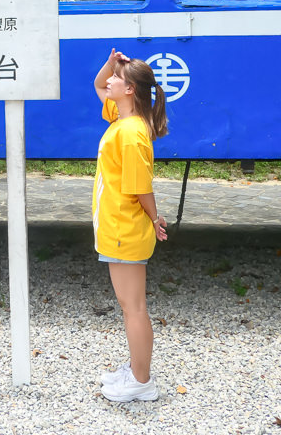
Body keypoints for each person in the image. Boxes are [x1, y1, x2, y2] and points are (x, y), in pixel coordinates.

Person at [92, 48, 169, 403]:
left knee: (133, 307)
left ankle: (141, 381)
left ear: (130, 91)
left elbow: (141, 188)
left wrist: (155, 219)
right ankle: (137, 370)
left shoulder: (131, 133)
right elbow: (97, 85)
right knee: (130, 305)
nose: (109, 80)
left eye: (117, 78)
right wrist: (112, 63)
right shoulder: (121, 119)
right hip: (117, 227)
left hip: (125, 230)